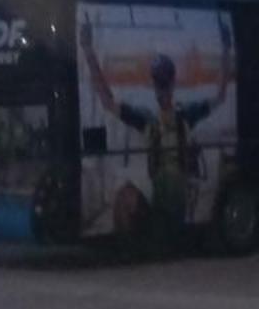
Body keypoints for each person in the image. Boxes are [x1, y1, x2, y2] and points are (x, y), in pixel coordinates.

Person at [80, 14, 233, 235]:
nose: (161, 88)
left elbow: (220, 97)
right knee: (126, 196)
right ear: (154, 84)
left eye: (164, 82)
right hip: (158, 201)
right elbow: (107, 101)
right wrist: (88, 51)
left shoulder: (185, 115)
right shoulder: (147, 119)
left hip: (178, 199)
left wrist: (226, 50)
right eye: (157, 82)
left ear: (171, 83)